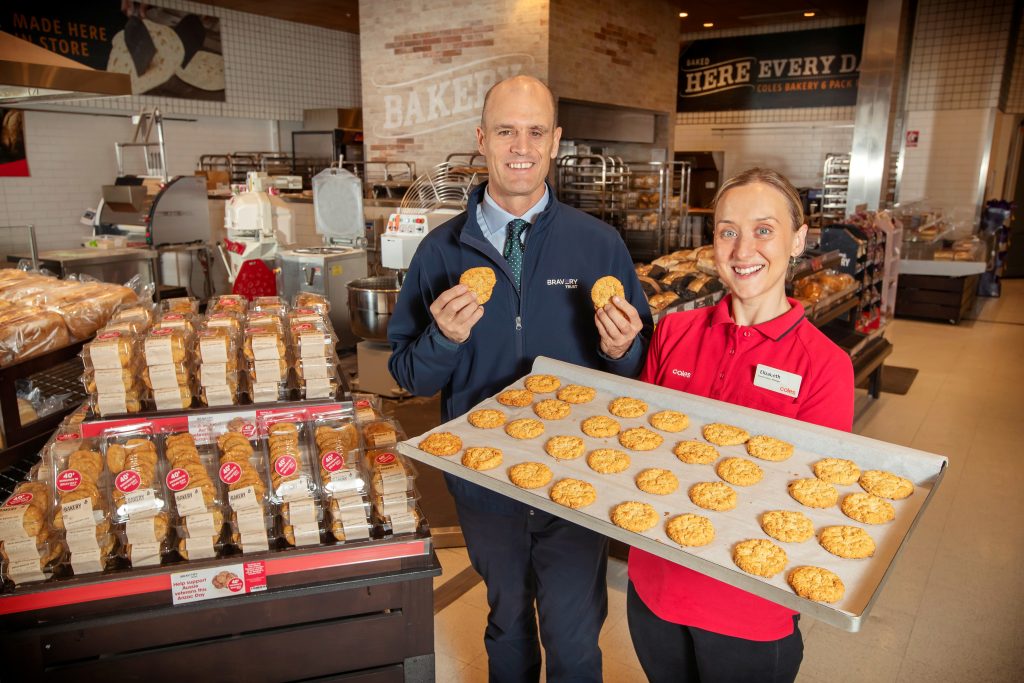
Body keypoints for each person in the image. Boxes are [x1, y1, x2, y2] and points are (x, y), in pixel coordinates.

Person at [388, 75, 653, 682]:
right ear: (482, 140)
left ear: (556, 141)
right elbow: (408, 373)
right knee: (507, 622)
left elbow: (639, 370)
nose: (521, 146)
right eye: (506, 130)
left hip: (578, 479)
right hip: (482, 481)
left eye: (536, 131)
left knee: (574, 633)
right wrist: (444, 339)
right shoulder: (440, 251)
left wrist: (622, 351)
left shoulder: (599, 245)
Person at [626, 168, 855, 682]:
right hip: (655, 586)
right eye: (728, 231)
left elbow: (811, 503)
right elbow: (642, 445)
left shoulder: (825, 365)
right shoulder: (674, 332)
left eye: (764, 229)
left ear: (798, 239)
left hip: (748, 609)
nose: (742, 248)